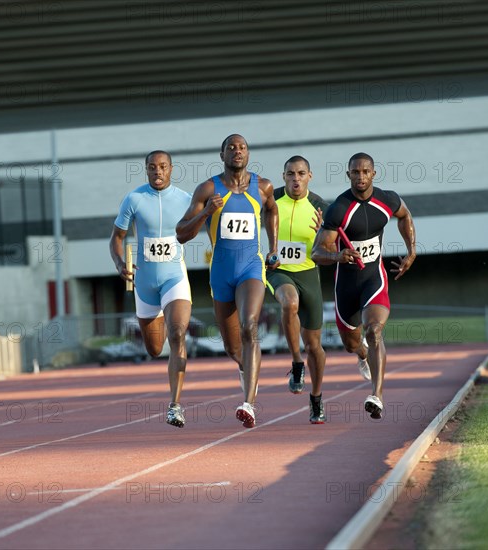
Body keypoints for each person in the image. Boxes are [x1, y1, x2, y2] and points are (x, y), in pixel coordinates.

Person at [176, 134, 279, 428]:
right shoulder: (208, 188)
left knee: (250, 326)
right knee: (233, 347)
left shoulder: (263, 186)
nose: (237, 151)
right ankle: (247, 369)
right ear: (221, 154)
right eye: (231, 148)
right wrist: (208, 211)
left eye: (242, 147)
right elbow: (181, 233)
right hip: (220, 274)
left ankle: (249, 403)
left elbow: (271, 209)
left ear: (249, 153)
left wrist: (273, 247)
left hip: (251, 268)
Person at [312, 152, 416, 419]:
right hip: (346, 285)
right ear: (348, 175)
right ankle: (362, 354)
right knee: (351, 344)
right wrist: (337, 255)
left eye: (365, 172)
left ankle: (377, 395)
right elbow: (317, 252)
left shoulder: (387, 200)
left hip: (373, 279)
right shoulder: (338, 209)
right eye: (355, 172)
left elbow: (405, 216)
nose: (360, 177)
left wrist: (411, 250)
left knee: (374, 329)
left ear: (374, 173)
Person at [110, 151, 193, 428]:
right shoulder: (134, 199)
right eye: (152, 167)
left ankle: (175, 405)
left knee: (178, 333)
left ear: (171, 169)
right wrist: (119, 262)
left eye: (163, 167)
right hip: (144, 283)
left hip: (174, 278)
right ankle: (173, 395)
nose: (158, 171)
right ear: (146, 170)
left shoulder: (185, 199)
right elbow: (117, 238)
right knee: (155, 348)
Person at [265, 155, 331, 424]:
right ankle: (295, 363)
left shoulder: (320, 207)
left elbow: (330, 250)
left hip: (308, 273)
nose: (295, 179)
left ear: (309, 176)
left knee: (315, 345)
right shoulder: (271, 201)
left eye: (301, 174)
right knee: (289, 303)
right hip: (278, 270)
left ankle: (316, 398)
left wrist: (322, 237)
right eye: (290, 174)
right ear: (283, 176)